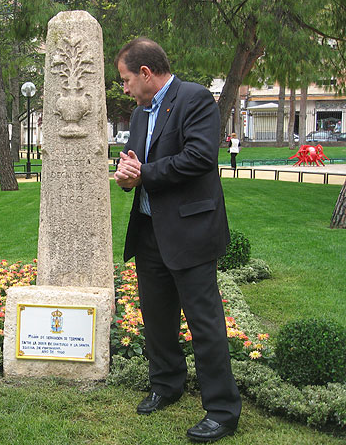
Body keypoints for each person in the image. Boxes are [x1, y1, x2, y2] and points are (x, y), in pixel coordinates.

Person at [114, 37, 241, 443]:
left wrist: (144, 174)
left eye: (125, 79)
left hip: (190, 232)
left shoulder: (196, 98)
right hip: (150, 231)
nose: (125, 88)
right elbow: (136, 167)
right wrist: (125, 177)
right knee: (157, 319)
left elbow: (201, 156)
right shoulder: (138, 115)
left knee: (204, 324)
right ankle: (166, 384)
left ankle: (222, 411)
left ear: (146, 74)